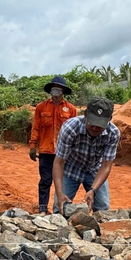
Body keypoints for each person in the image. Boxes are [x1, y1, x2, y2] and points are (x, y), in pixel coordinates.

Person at [53, 96, 121, 214]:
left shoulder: (113, 133)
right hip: (70, 169)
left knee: (103, 210)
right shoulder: (70, 128)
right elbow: (59, 162)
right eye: (92, 122)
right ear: (85, 114)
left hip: (95, 170)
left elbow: (106, 166)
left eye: (99, 124)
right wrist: (59, 193)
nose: (94, 128)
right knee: (61, 207)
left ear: (109, 119)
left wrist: (93, 190)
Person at [28, 75, 76, 213]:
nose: (56, 90)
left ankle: (60, 210)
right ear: (50, 90)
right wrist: (32, 146)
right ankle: (43, 209)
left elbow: (75, 132)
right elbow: (36, 127)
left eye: (59, 88)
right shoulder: (41, 107)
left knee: (63, 182)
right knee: (45, 181)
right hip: (46, 151)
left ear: (63, 91)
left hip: (64, 152)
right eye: (54, 88)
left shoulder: (71, 110)